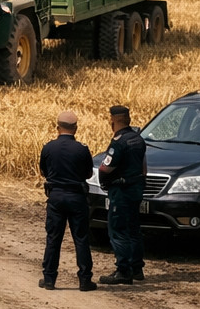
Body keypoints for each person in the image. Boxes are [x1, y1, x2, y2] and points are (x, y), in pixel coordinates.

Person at [38, 109, 96, 291]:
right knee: (81, 239)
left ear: (57, 127)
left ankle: (49, 279)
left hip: (56, 196)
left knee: (53, 238)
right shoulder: (82, 149)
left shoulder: (48, 148)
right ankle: (85, 280)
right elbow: (88, 173)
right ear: (76, 128)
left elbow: (43, 172)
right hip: (77, 197)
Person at [97, 104, 147, 285]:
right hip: (136, 190)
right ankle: (137, 269)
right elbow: (144, 169)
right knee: (134, 229)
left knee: (118, 231)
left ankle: (123, 271)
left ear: (113, 121)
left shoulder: (119, 142)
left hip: (121, 191)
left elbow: (106, 167)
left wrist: (103, 180)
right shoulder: (138, 139)